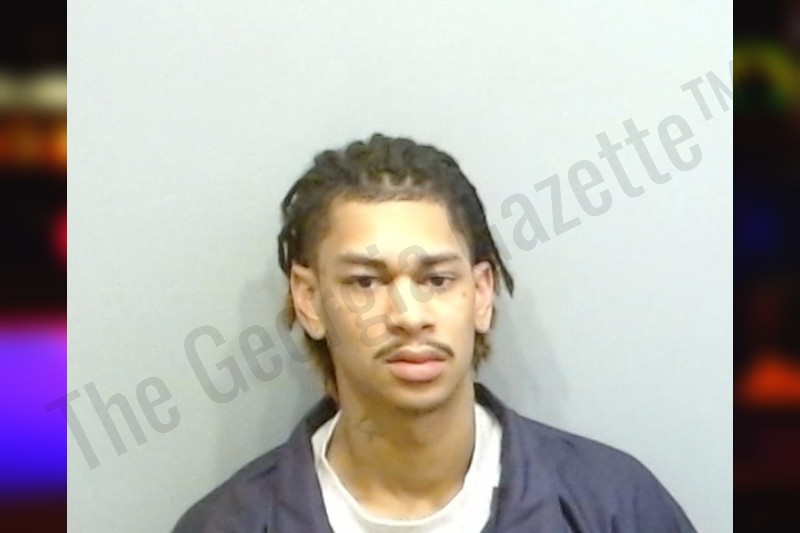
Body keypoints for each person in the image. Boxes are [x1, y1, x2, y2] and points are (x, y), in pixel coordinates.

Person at [173, 133, 696, 532]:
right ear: (309, 300)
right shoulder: (229, 524)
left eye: (437, 280)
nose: (408, 316)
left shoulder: (613, 506)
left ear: (482, 294)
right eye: (365, 282)